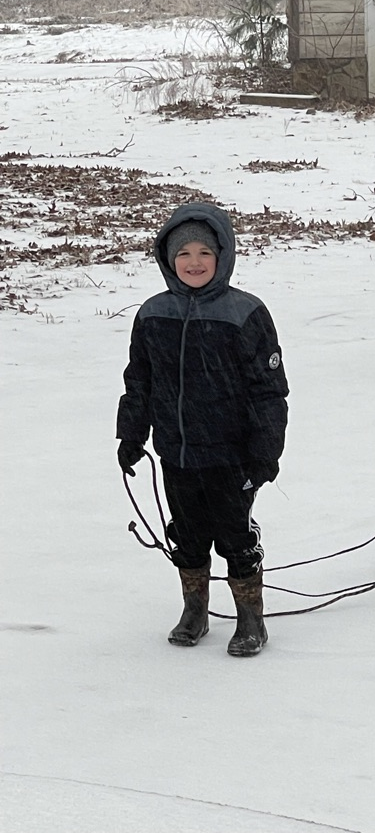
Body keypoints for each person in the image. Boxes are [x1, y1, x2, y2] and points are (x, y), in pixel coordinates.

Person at [116, 202, 288, 657]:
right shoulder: (153, 314)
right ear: (168, 259)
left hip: (231, 455)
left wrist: (265, 453)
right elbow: (139, 381)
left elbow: (269, 392)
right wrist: (131, 434)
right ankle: (195, 611)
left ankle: (251, 620)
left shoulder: (245, 313)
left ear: (222, 255)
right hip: (176, 452)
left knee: (235, 537)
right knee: (187, 535)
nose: (194, 262)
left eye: (204, 253)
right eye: (184, 253)